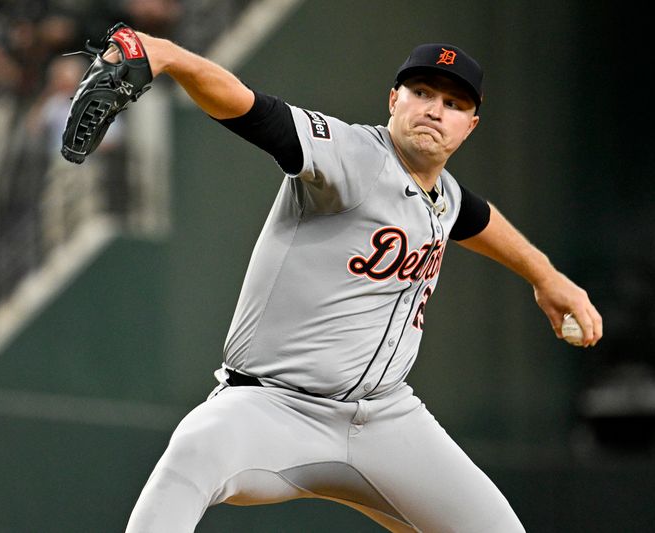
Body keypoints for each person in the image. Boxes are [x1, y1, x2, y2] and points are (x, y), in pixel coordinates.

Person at [118, 29, 603, 532]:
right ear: (394, 99)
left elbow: (475, 219)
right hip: (275, 407)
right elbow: (255, 112)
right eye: (422, 93)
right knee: (194, 451)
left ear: (470, 125)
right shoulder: (355, 155)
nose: (435, 110)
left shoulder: (445, 195)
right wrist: (172, 57)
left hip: (386, 419)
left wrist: (545, 276)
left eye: (453, 103)